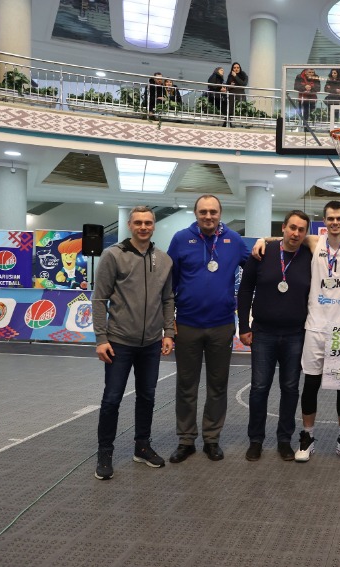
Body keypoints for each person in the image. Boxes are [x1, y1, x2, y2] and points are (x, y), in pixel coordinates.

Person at [250, 200, 340, 463]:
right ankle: (307, 436)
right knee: (311, 385)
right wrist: (262, 239)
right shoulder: (314, 242)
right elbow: (285, 238)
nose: (335, 222)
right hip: (315, 326)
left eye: (339, 218)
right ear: (324, 221)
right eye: (330, 218)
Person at [92, 206, 175, 480]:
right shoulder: (113, 255)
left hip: (151, 343)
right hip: (119, 342)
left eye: (148, 222)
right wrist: (101, 338)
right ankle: (105, 452)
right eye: (138, 222)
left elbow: (168, 299)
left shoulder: (164, 259)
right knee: (112, 399)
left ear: (154, 226)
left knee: (147, 397)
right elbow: (99, 299)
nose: (143, 227)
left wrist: (168, 333)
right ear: (130, 225)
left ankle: (142, 446)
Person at [167, 195, 249, 464]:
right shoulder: (181, 239)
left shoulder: (234, 240)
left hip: (221, 325)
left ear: (220, 213)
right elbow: (169, 283)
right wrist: (168, 322)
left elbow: (255, 266)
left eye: (213, 211)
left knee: (218, 385)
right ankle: (186, 440)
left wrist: (267, 243)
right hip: (187, 325)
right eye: (203, 212)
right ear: (196, 214)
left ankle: (212, 439)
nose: (208, 216)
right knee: (186, 385)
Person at [238, 211, 312, 462]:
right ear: (283, 228)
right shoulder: (262, 253)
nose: (296, 233)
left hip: (295, 334)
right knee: (259, 388)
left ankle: (284, 440)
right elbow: (245, 289)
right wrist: (243, 326)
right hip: (263, 333)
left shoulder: (310, 256)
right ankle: (256, 440)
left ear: (306, 233)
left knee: (290, 388)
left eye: (301, 230)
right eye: (292, 228)